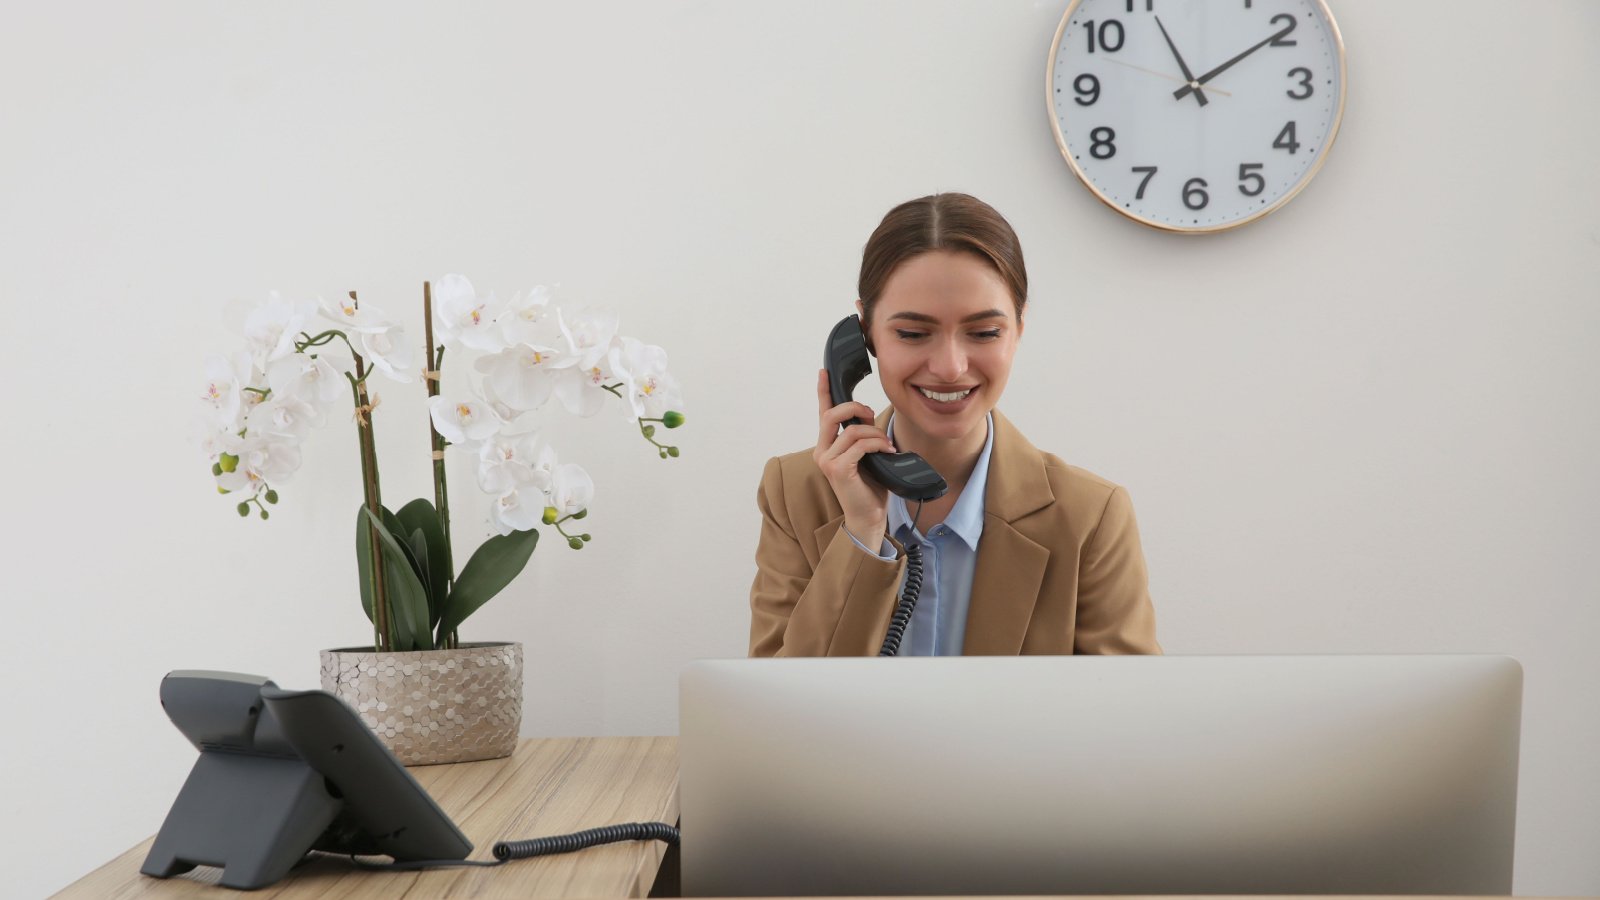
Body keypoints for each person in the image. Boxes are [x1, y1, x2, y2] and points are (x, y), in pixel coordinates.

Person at [749, 192, 1160, 657]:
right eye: (912, 333)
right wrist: (861, 535)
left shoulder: (1090, 515)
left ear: (1019, 328)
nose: (949, 367)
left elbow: (1129, 715)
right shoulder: (795, 492)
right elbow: (774, 709)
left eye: (984, 332)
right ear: (863, 337)